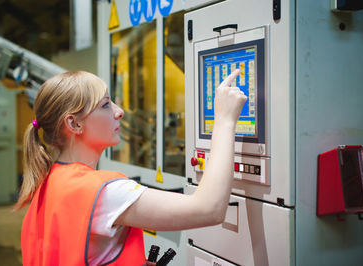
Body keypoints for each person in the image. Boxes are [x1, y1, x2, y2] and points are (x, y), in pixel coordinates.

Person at [16, 70, 246, 266]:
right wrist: (225, 119)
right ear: (74, 124)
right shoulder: (105, 192)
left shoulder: (49, 180)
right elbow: (210, 209)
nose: (119, 111)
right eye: (105, 104)